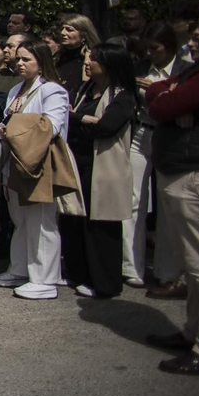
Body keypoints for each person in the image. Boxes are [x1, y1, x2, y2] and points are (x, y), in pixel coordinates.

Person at [142, 2, 199, 375]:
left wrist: (170, 96)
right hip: (184, 174)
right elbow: (157, 92)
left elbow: (162, 104)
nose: (196, 32)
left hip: (197, 177)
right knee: (194, 265)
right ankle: (193, 332)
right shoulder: (198, 68)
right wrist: (168, 92)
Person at [0, 36, 73, 300]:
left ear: (41, 61)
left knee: (41, 222)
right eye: (18, 59)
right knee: (20, 220)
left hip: (39, 164)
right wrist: (3, 128)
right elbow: (4, 122)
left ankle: (45, 278)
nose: (20, 63)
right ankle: (19, 268)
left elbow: (52, 126)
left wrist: (13, 127)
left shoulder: (52, 90)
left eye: (27, 59)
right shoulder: (16, 89)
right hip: (14, 163)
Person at [60, 41, 138, 299]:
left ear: (108, 64)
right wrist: (82, 118)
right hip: (79, 163)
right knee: (75, 222)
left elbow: (106, 127)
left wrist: (77, 119)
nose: (87, 62)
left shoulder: (122, 95)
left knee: (102, 227)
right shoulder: (83, 89)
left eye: (93, 58)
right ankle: (80, 273)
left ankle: (105, 283)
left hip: (103, 168)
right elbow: (67, 116)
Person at [138, 23, 190, 296]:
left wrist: (159, 90)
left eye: (154, 48)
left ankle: (168, 273)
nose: (149, 54)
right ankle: (133, 268)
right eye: (146, 48)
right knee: (135, 201)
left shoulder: (186, 69)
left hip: (172, 137)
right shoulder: (140, 67)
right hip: (141, 132)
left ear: (169, 47)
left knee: (168, 206)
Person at [55, 14, 100, 97]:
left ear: (84, 35)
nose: (62, 33)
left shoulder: (92, 59)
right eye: (62, 29)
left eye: (69, 30)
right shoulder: (56, 57)